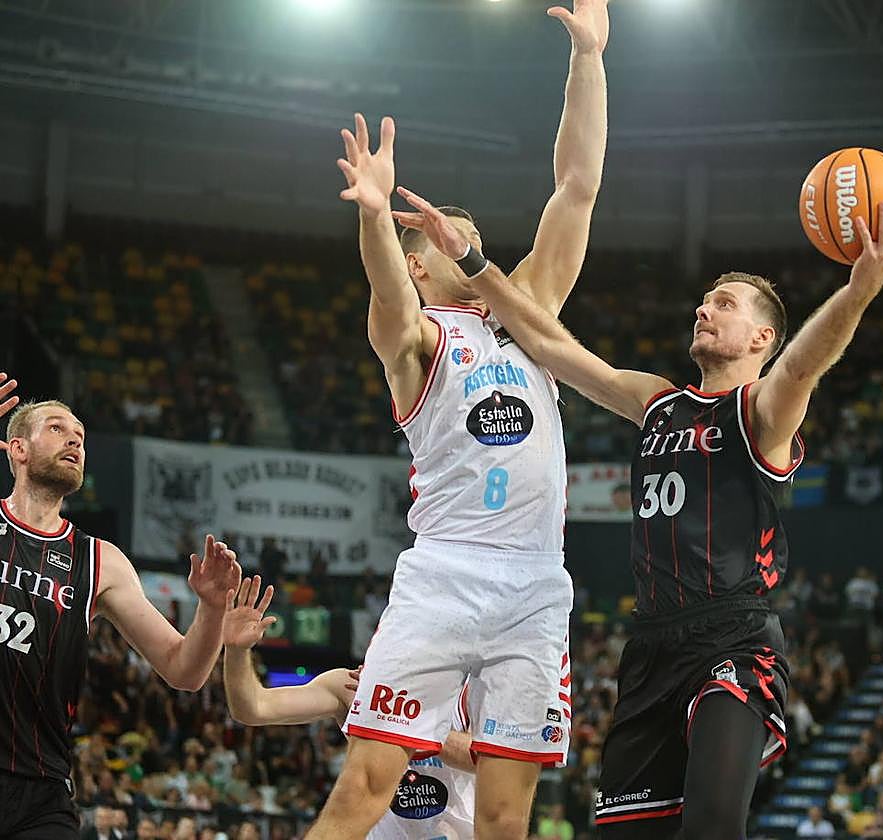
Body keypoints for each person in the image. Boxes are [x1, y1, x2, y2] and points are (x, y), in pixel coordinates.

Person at [389, 186, 883, 839]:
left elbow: (804, 366)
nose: (703, 308)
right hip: (649, 650)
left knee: (713, 827)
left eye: (723, 304)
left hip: (732, 638)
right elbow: (549, 342)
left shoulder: (761, 413)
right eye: (703, 300)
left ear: (761, 337)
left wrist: (858, 291)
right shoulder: (658, 403)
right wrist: (468, 258)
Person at [310, 3, 610, 838]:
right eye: (451, 235)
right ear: (419, 261)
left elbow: (577, 187)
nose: (469, 238)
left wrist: (587, 58)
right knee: (367, 782)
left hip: (537, 581)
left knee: (506, 816)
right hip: (446, 571)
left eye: (473, 232)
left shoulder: (528, 315)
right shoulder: (417, 337)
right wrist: (374, 214)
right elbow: (383, 291)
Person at [0, 376, 242, 839]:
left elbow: (184, 671)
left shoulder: (99, 560)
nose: (74, 438)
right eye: (56, 428)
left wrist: (210, 608)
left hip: (41, 791)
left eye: (81, 436)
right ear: (18, 450)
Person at [221, 577, 476, 839]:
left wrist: (408, 718)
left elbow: (486, 757)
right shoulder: (353, 686)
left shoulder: (472, 687)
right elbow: (253, 708)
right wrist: (237, 651)